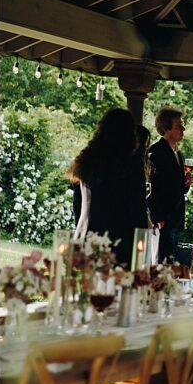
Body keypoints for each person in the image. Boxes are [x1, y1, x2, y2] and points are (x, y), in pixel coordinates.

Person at [68, 108, 150, 267]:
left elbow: (77, 204)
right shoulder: (131, 164)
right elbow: (137, 209)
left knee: (85, 288)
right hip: (118, 242)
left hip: (84, 234)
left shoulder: (86, 158)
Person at [148, 107, 193, 262]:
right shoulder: (155, 152)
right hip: (163, 219)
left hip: (175, 218)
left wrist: (186, 184)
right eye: (179, 126)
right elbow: (150, 187)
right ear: (166, 129)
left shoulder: (178, 153)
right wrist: (158, 218)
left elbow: (176, 187)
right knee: (162, 263)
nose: (183, 129)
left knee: (171, 263)